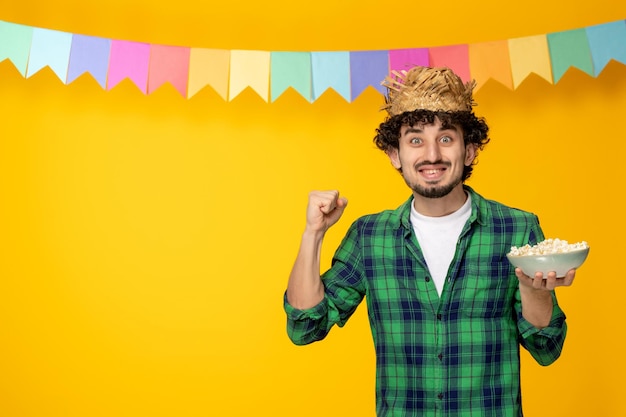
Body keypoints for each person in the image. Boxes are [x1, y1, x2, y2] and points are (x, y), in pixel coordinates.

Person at [283, 65, 576, 417]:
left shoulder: (516, 229)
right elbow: (305, 328)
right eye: (416, 139)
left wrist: (534, 289)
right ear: (396, 155)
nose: (432, 155)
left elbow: (547, 349)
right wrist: (312, 234)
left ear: (469, 151)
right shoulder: (369, 237)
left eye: (447, 138)